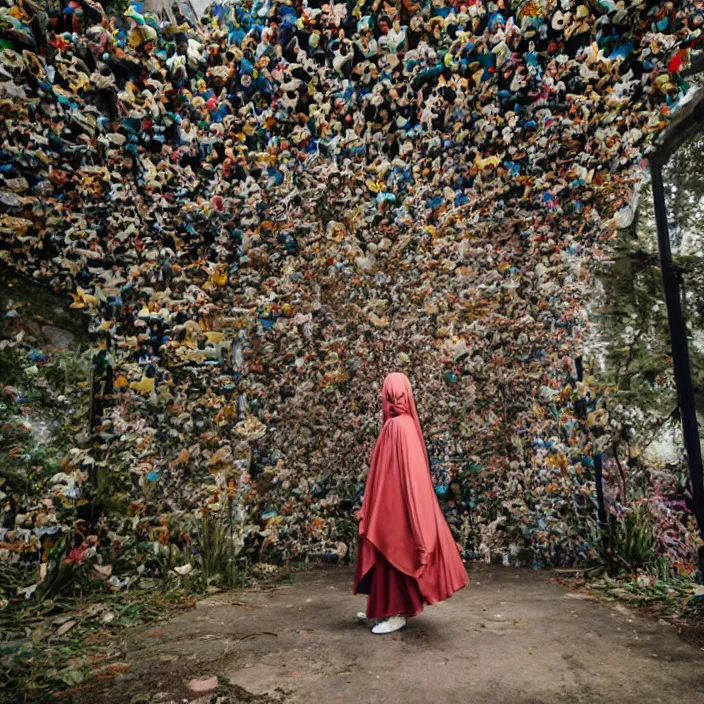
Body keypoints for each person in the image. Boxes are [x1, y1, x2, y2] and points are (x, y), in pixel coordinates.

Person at [353, 372, 469, 635]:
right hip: (395, 508)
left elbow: (402, 476)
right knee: (390, 558)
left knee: (395, 557)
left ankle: (397, 614)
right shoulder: (404, 425)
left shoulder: (396, 428)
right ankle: (383, 609)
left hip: (396, 511)